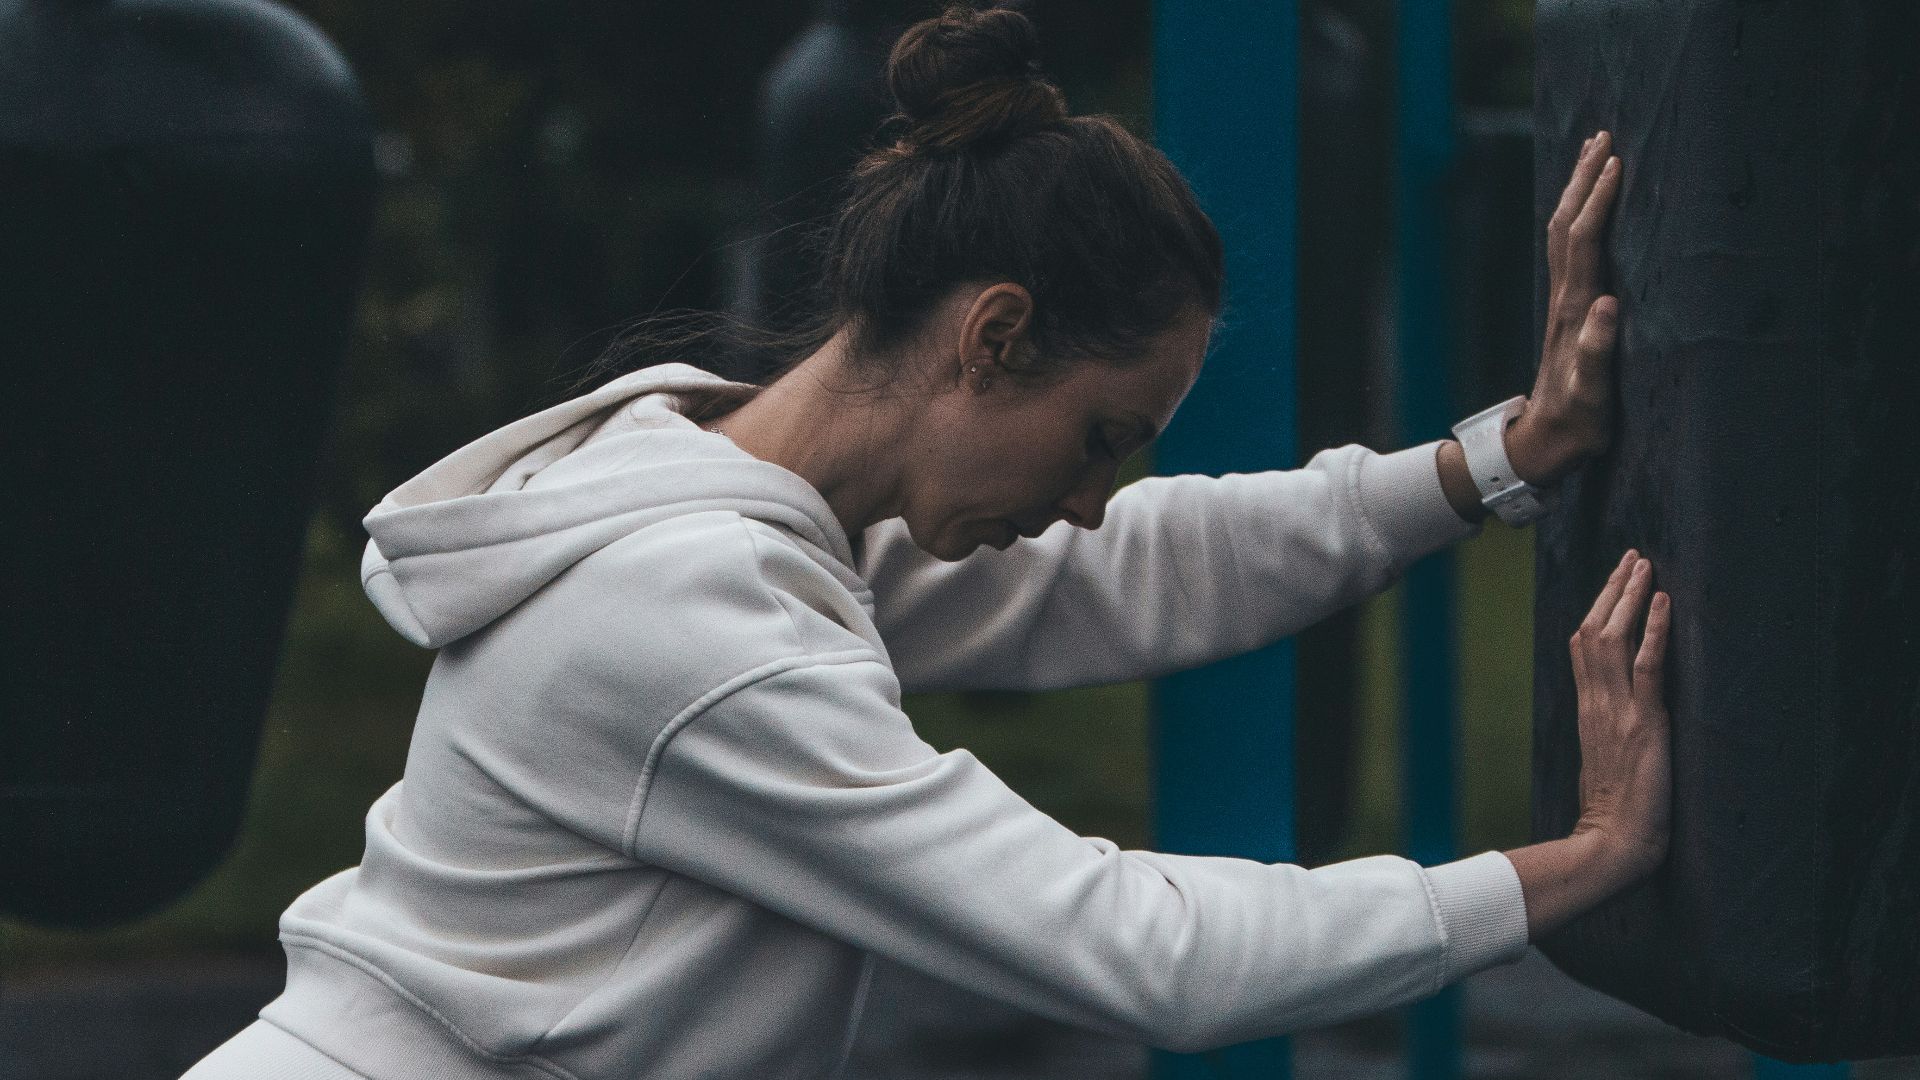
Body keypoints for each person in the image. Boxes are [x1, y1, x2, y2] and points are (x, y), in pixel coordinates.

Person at [183, 5, 1664, 1078]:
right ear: (994, 336)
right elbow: (1145, 953)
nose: (1091, 499)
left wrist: (1500, 460)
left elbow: (1138, 565)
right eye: (1100, 437)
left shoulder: (717, 495)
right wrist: (1575, 865)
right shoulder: (690, 618)